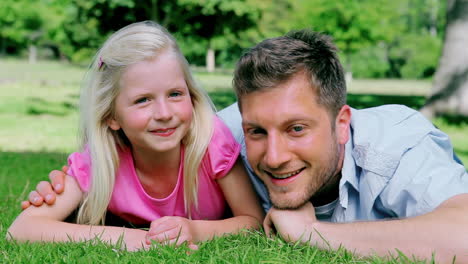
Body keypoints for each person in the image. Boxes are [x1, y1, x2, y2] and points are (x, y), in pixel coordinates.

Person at [21, 29, 468, 262]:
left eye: (297, 129)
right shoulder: (217, 133)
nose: (272, 158)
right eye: (257, 132)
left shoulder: (399, 145)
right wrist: (62, 195)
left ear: (341, 123)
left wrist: (318, 236)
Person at [7, 21, 263, 251]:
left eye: (175, 94)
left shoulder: (210, 141)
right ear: (112, 116)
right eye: (143, 100)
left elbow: (252, 221)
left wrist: (195, 230)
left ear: (191, 96)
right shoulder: (102, 160)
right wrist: (131, 239)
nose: (164, 113)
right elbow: (21, 230)